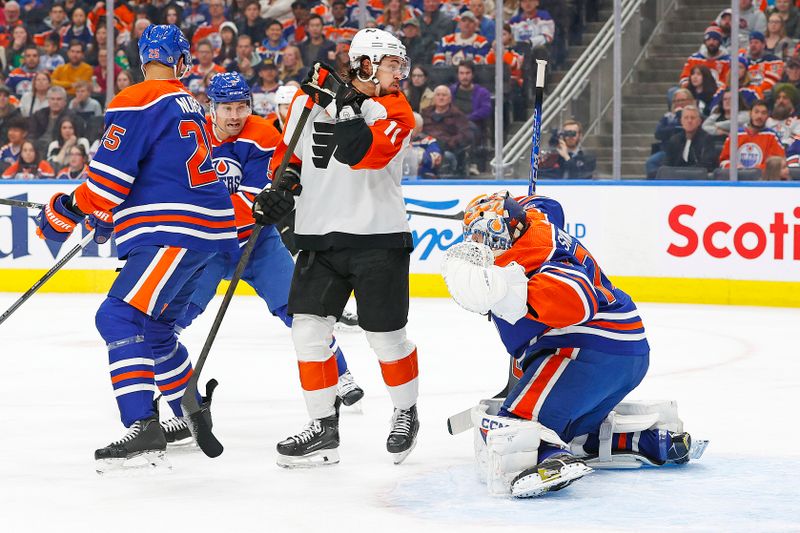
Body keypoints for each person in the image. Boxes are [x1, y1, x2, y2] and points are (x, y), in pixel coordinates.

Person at [33, 24, 238, 472]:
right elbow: (155, 173)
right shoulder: (192, 104)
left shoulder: (136, 98)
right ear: (181, 61)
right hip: (209, 235)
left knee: (118, 315)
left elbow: (107, 182)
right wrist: (111, 213)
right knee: (159, 330)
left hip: (174, 230)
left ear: (142, 59)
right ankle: (191, 412)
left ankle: (143, 424)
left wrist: (67, 208)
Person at [440, 191, 699, 498]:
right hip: (625, 353)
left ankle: (550, 458)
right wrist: (521, 204)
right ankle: (648, 441)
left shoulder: (536, 261)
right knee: (574, 430)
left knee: (512, 427)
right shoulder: (536, 220)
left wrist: (511, 294)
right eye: (479, 238)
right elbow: (548, 206)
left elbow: (579, 298)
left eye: (493, 237)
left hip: (586, 354)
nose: (487, 247)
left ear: (513, 229)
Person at [253, 28, 419, 468]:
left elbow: (359, 153)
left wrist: (344, 105)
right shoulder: (307, 101)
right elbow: (288, 157)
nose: (398, 72)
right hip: (319, 237)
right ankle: (323, 429)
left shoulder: (397, 110)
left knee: (386, 339)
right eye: (390, 63)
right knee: (307, 333)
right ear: (364, 64)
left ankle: (405, 411)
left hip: (378, 237)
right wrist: (281, 190)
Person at [174, 73, 364, 433]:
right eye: (227, 108)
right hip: (208, 247)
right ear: (210, 108)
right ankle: (171, 388)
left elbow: (252, 201)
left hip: (257, 243)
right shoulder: (190, 134)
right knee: (176, 314)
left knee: (302, 313)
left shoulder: (262, 134)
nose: (235, 115)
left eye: (241, 106)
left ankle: (341, 373)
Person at [719, 100, 785, 170]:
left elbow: (778, 163)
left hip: (762, 179)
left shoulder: (772, 136)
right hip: (738, 178)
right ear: (750, 113)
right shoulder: (736, 134)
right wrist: (734, 167)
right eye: (756, 112)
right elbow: (723, 161)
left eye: (763, 113)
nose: (759, 116)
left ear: (767, 116)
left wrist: (756, 169)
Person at [663, 105, 717, 171]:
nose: (689, 121)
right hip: (676, 177)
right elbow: (666, 164)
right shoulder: (674, 140)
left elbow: (707, 165)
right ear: (681, 121)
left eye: (692, 118)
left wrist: (684, 171)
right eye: (686, 118)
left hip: (697, 177)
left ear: (699, 121)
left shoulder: (707, 139)